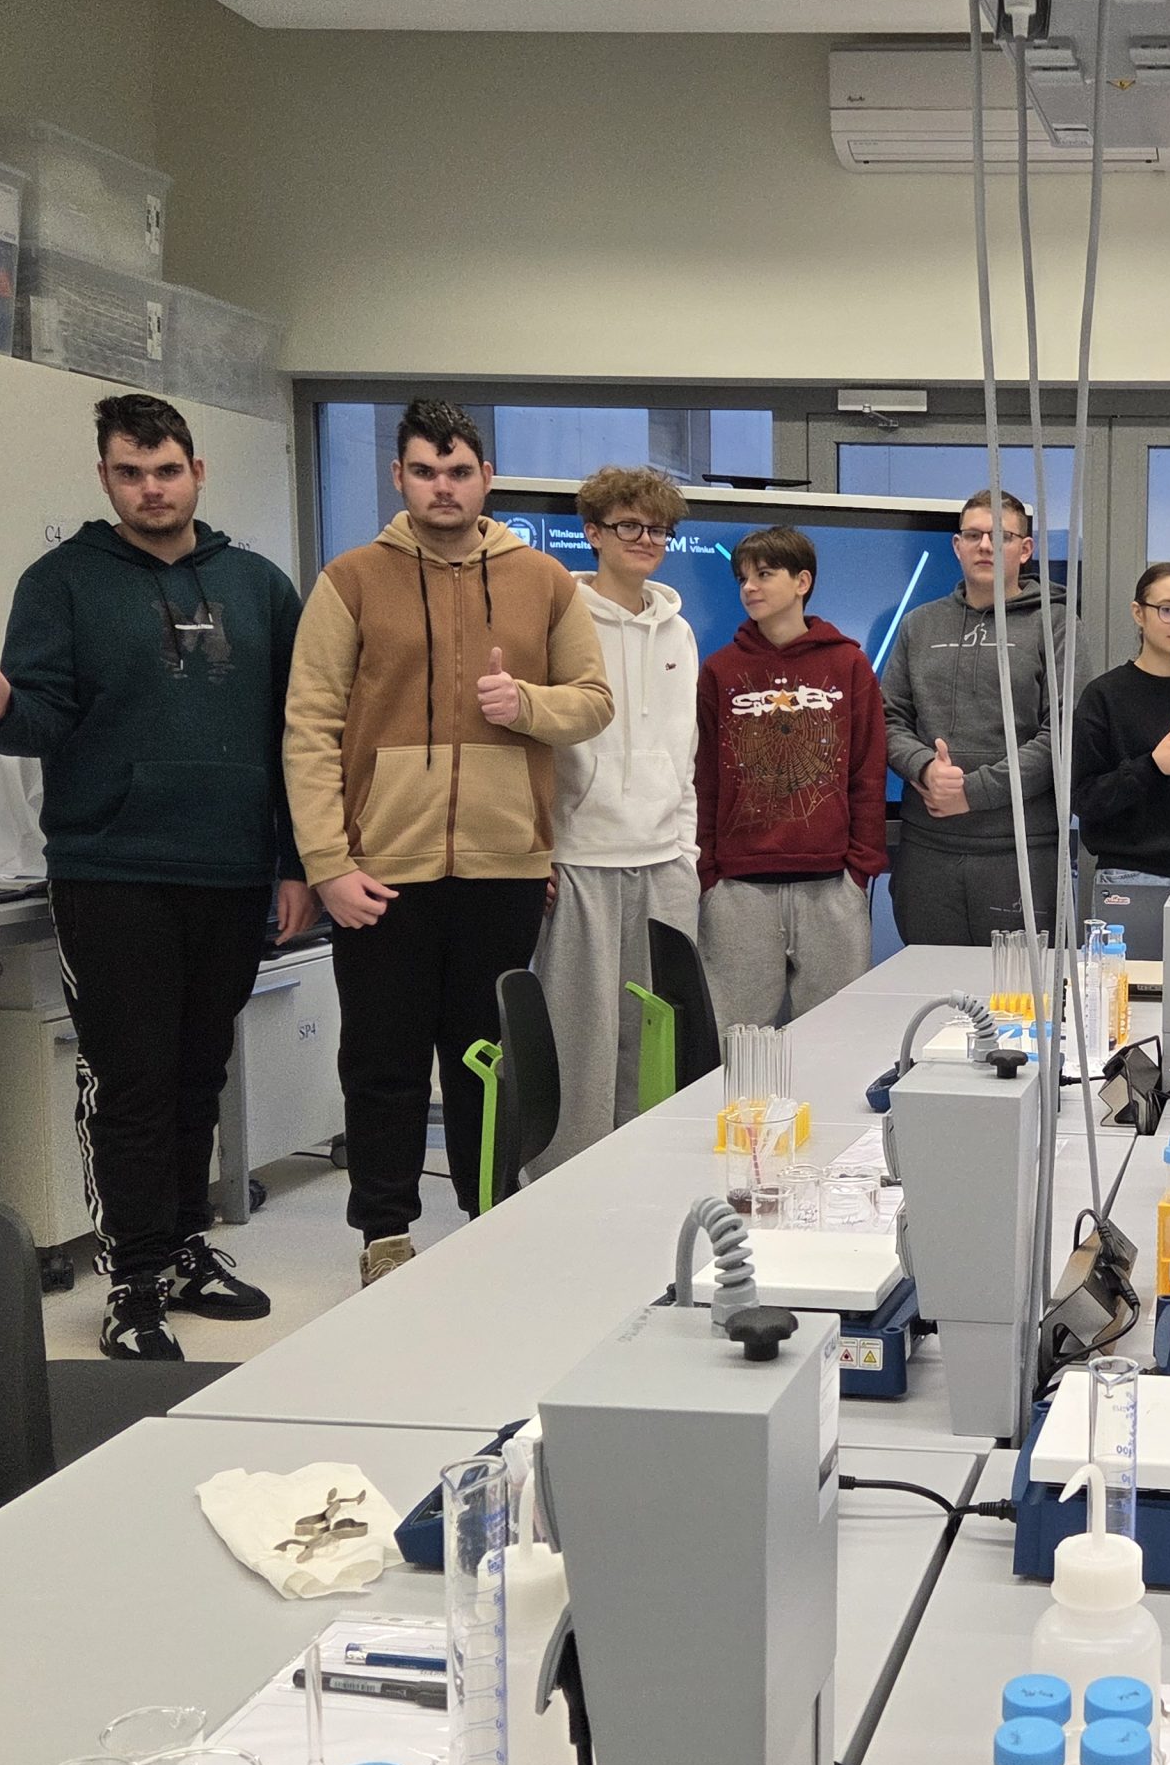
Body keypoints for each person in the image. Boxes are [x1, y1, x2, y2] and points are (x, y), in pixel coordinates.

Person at [0, 393, 310, 1360]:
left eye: (166, 470)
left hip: (231, 869)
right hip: (112, 869)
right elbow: (41, 719)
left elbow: (297, 734)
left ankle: (186, 1247)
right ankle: (134, 1281)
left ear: (197, 472)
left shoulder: (259, 586)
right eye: (130, 472)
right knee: (131, 1081)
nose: (151, 489)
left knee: (199, 1073)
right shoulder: (62, 583)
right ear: (105, 478)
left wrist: (294, 863)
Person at [284, 401, 612, 1284]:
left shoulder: (544, 580)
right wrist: (328, 866)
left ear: (485, 479)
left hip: (504, 871)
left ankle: (488, 1219)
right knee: (382, 1062)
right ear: (399, 476)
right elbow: (309, 728)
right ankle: (384, 1235)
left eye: (459, 471)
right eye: (425, 472)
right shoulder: (351, 580)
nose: (443, 488)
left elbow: (594, 700)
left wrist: (526, 705)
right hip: (380, 873)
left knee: (488, 1060)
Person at [529, 466, 700, 1173]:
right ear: (593, 533)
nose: (646, 539)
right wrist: (541, 849)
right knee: (579, 1050)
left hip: (663, 867)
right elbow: (533, 745)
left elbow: (684, 751)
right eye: (629, 525)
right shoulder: (559, 620)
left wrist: (686, 852)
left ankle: (646, 1185)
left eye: (658, 529)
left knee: (656, 1046)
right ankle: (565, 1192)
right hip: (581, 864)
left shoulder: (680, 632)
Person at [696, 523, 889, 1025]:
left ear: (802, 582)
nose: (749, 588)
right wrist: (709, 873)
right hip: (737, 889)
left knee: (835, 1035)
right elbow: (704, 777)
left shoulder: (848, 664)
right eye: (743, 578)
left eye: (764, 574)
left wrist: (859, 869)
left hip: (832, 884)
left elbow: (868, 770)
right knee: (736, 1042)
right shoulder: (719, 670)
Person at [879, 490, 1069, 945]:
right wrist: (924, 767)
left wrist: (973, 791)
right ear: (957, 545)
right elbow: (887, 718)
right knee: (930, 983)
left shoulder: (1056, 625)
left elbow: (1064, 733)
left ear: (1025, 549)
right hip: (927, 852)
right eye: (973, 535)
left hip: (1020, 851)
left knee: (1016, 987)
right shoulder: (917, 624)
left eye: (1001, 536)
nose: (985, 545)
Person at [1072, 564, 1170, 900]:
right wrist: (1152, 766)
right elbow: (1084, 798)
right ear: (1138, 613)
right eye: (1168, 610)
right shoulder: (1105, 695)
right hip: (1129, 877)